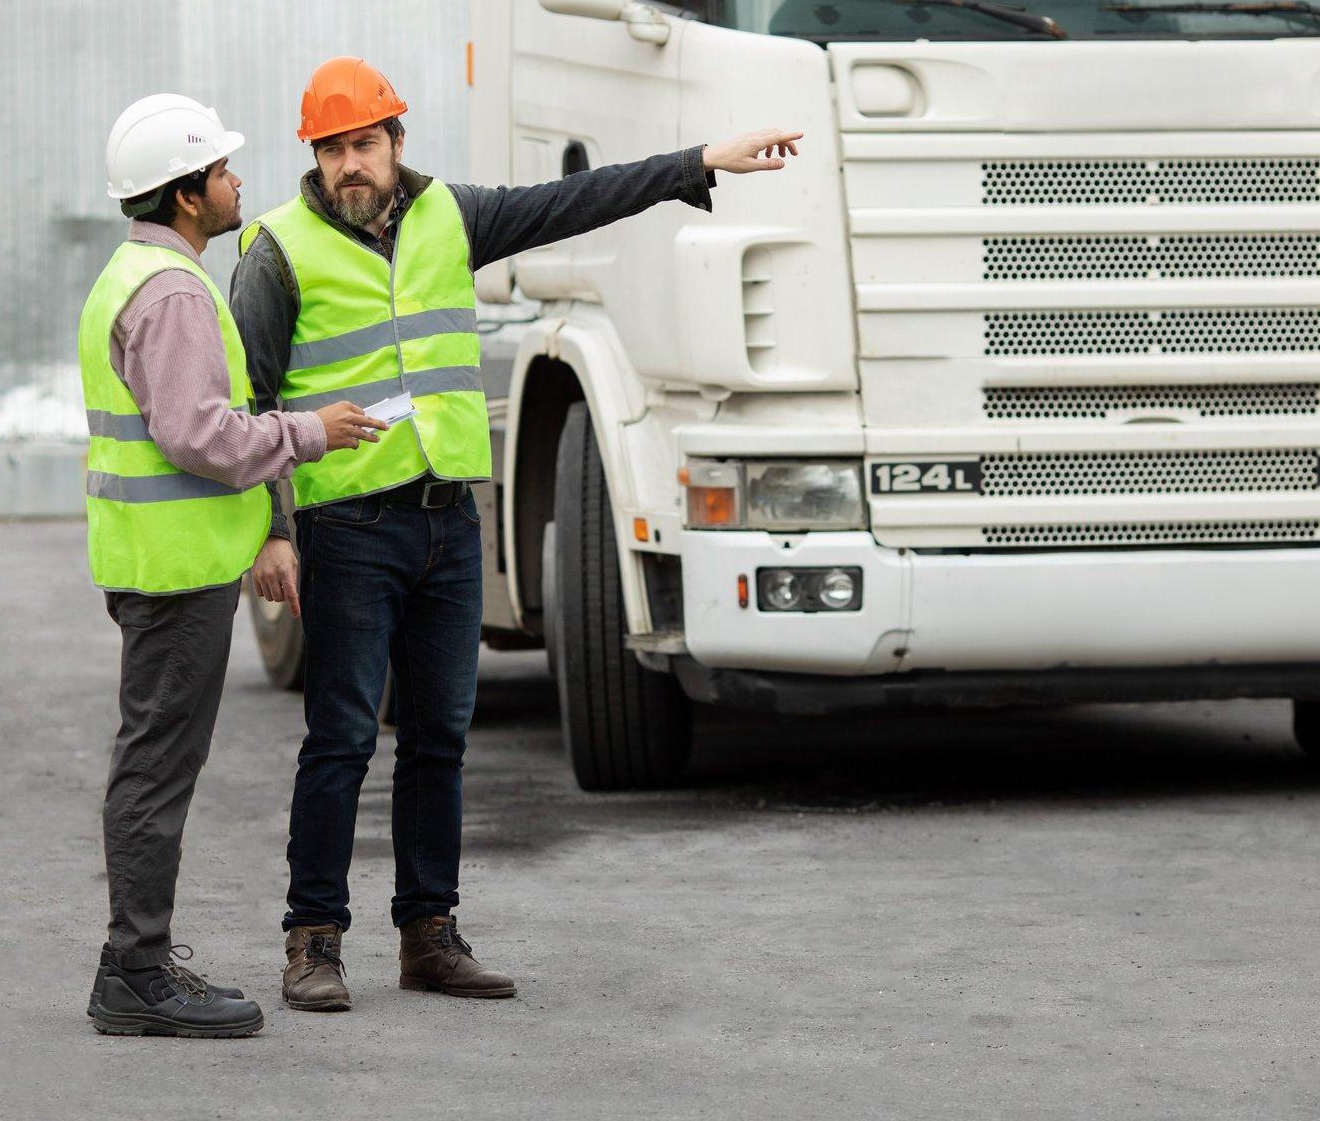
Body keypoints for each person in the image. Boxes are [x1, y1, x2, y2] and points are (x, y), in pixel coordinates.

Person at [231, 56, 800, 1011]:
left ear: (397, 142)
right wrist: (271, 532)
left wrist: (700, 159)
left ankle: (429, 934)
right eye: (331, 149)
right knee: (339, 740)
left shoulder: (455, 215)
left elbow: (573, 200)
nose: (348, 165)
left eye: (363, 144)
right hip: (346, 528)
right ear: (315, 156)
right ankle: (313, 939)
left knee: (442, 740)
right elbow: (249, 400)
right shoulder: (277, 250)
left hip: (451, 523)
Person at [78, 93, 389, 1037]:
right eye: (220, 171)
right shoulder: (173, 293)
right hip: (172, 574)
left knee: (155, 763)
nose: (236, 181)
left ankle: (137, 960)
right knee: (158, 771)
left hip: (162, 563)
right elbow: (195, 433)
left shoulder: (141, 274)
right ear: (184, 195)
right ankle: (134, 970)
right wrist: (310, 433)